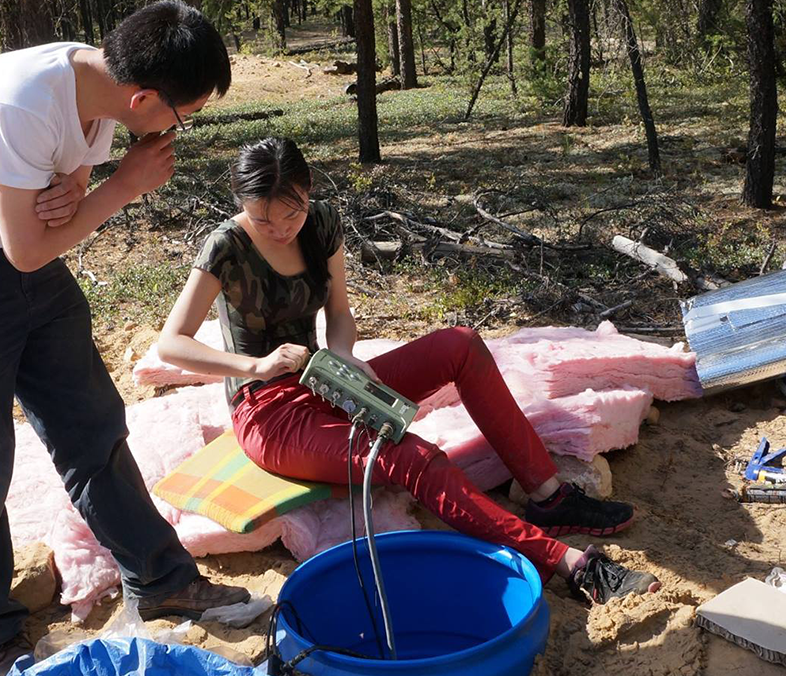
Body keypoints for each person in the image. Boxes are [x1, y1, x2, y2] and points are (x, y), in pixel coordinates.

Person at [0, 1, 248, 676]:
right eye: (181, 114)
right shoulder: (25, 105)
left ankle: (161, 579)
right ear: (142, 97)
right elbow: (27, 248)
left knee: (91, 423)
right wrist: (124, 185)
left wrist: (78, 187)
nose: (176, 129)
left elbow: (62, 193)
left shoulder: (96, 87)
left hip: (14, 259)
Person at [157, 137, 661, 605]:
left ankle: (549, 496)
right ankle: (567, 563)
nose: (281, 229)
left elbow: (338, 312)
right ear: (242, 204)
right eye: (264, 221)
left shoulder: (323, 224)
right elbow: (172, 343)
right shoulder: (226, 246)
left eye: (292, 214)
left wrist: (345, 355)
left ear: (308, 192)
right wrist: (255, 365)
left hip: (324, 378)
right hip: (270, 412)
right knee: (409, 455)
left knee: (459, 345)